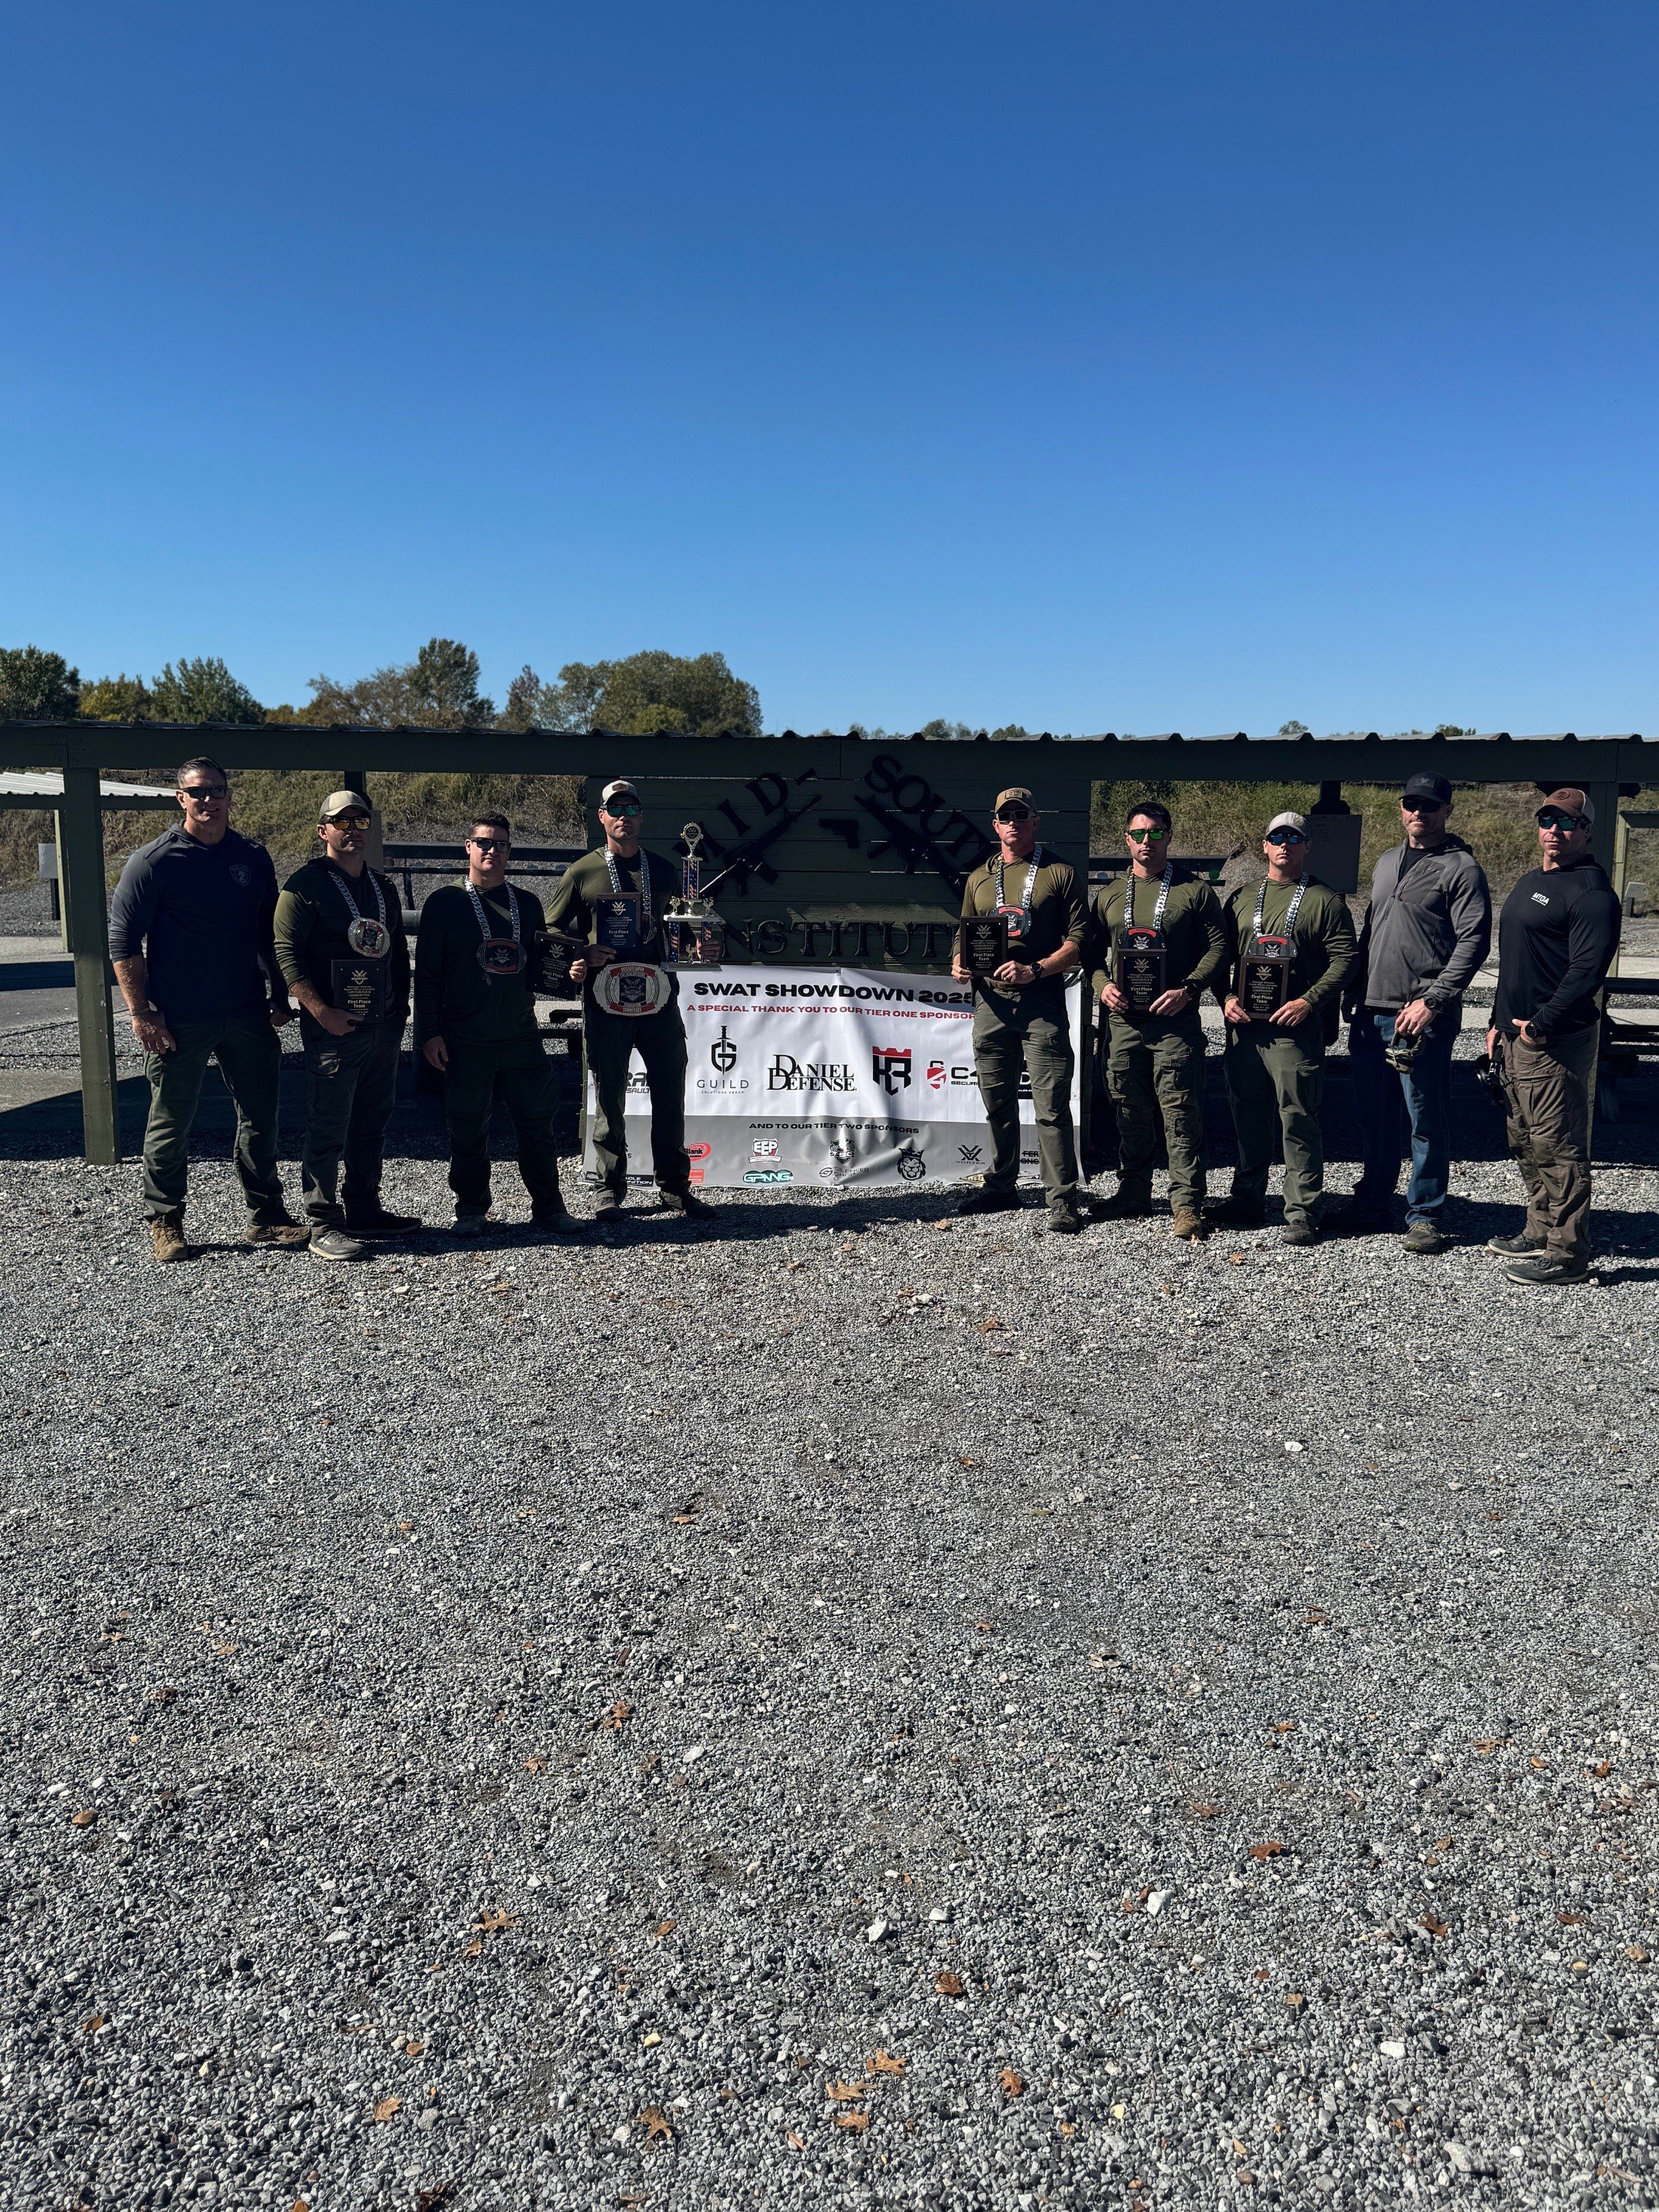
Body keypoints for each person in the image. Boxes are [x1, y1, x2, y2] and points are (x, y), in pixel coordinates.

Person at [108, 756, 305, 1264]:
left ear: (229, 796)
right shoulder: (153, 862)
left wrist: (279, 997)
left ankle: (267, 1216)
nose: (208, 800)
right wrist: (141, 1013)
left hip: (245, 1012)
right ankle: (165, 1219)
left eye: (217, 790)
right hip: (179, 1018)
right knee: (172, 1119)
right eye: (197, 792)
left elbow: (269, 934)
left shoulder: (252, 857)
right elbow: (123, 942)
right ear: (181, 798)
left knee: (260, 1116)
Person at [1334, 772, 1492, 1252]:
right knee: (1373, 1115)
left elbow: (1475, 942)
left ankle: (1425, 1213)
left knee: (1423, 1116)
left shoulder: (1461, 868)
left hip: (1420, 1014)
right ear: (1401, 809)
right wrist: (1353, 991)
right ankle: (1374, 1202)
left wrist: (1433, 1000)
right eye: (1410, 804)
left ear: (1447, 810)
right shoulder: (1385, 862)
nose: (1418, 813)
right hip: (1372, 1010)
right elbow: (1370, 931)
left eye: (1428, 805)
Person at [542, 778, 711, 1223]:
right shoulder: (582, 872)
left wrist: (700, 946)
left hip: (658, 996)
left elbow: (685, 928)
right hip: (606, 997)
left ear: (641, 816)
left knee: (670, 1092)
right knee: (610, 1094)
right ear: (602, 817)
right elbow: (552, 930)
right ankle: (608, 1188)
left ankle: (675, 1187)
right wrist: (583, 951)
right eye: (614, 809)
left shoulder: (665, 868)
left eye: (631, 808)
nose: (623, 816)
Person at [414, 812, 580, 1237]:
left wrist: (570, 973)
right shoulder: (444, 903)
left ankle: (548, 1207)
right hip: (465, 1035)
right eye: (484, 843)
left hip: (520, 1033)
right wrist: (428, 1034)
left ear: (509, 852)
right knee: (468, 1127)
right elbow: (428, 975)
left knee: (538, 1124)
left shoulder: (526, 903)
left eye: (501, 845)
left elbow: (542, 965)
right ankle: (471, 1209)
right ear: (467, 847)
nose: (491, 851)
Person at [273, 790, 420, 1262]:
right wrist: (319, 1012)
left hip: (382, 1025)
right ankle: (322, 1222)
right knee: (329, 1123)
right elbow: (285, 953)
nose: (353, 830)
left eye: (361, 821)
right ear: (324, 831)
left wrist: (401, 1011)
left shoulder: (383, 887)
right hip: (333, 1027)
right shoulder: (305, 886)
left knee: (372, 1121)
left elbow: (395, 951)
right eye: (342, 822)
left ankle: (364, 1207)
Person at [1486, 788, 1622, 1285]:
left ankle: (1568, 1254)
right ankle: (1540, 1229)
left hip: (1552, 1040)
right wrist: (1497, 1025)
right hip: (1513, 1034)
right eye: (1547, 819)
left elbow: (1587, 972)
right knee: (1523, 1138)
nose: (1554, 829)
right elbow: (1516, 966)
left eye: (1567, 823)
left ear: (1586, 831)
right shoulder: (1531, 881)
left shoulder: (1590, 893)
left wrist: (1539, 1026)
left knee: (1558, 1144)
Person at [1209, 811, 1357, 1245]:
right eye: (1277, 837)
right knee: (1248, 1115)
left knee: (1298, 1118)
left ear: (1306, 845)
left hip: (1293, 1030)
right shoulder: (1241, 897)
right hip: (1245, 1030)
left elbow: (1346, 959)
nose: (1285, 845)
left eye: (1294, 838)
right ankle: (1248, 1199)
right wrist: (1226, 999)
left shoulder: (1324, 900)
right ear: (1265, 846)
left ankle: (1303, 1210)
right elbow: (1219, 955)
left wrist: (1309, 1001)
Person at [1087, 799, 1227, 1238]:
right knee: (1128, 1108)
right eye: (1139, 834)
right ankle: (1133, 1193)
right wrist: (1101, 986)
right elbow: (1090, 954)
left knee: (1180, 1111)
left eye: (1156, 833)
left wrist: (1189, 989)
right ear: (1127, 839)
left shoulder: (1194, 891)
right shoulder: (1108, 893)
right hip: (1124, 1021)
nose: (1147, 842)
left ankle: (1186, 1203)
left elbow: (1219, 949)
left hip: (1174, 1022)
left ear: (1169, 836)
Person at [952, 786, 1087, 1234]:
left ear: (1035, 822)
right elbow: (965, 935)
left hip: (1040, 1005)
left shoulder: (1060, 873)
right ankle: (1001, 1185)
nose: (1013, 822)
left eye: (1021, 815)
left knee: (1050, 1104)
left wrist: (1037, 969)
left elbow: (1080, 942)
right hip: (990, 1006)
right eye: (1005, 816)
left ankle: (1062, 1197)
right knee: (998, 1102)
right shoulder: (978, 878)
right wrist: (958, 962)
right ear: (995, 825)